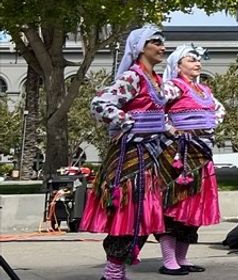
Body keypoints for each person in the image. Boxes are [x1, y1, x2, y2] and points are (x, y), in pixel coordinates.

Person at [81, 25, 179, 280]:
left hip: (150, 156)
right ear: (140, 48)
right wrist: (125, 120)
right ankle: (113, 271)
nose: (162, 47)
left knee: (145, 215)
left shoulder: (156, 80)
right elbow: (100, 103)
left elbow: (156, 115)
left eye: (162, 42)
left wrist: (171, 131)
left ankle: (117, 270)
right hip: (131, 158)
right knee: (130, 213)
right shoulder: (133, 77)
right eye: (156, 42)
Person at [157, 44, 226, 275]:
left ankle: (182, 257)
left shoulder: (204, 90)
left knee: (193, 207)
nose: (197, 63)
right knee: (175, 204)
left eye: (198, 60)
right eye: (191, 60)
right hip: (180, 155)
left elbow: (219, 110)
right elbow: (154, 107)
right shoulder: (172, 87)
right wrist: (172, 129)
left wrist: (208, 125)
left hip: (202, 154)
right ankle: (168, 260)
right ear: (178, 66)